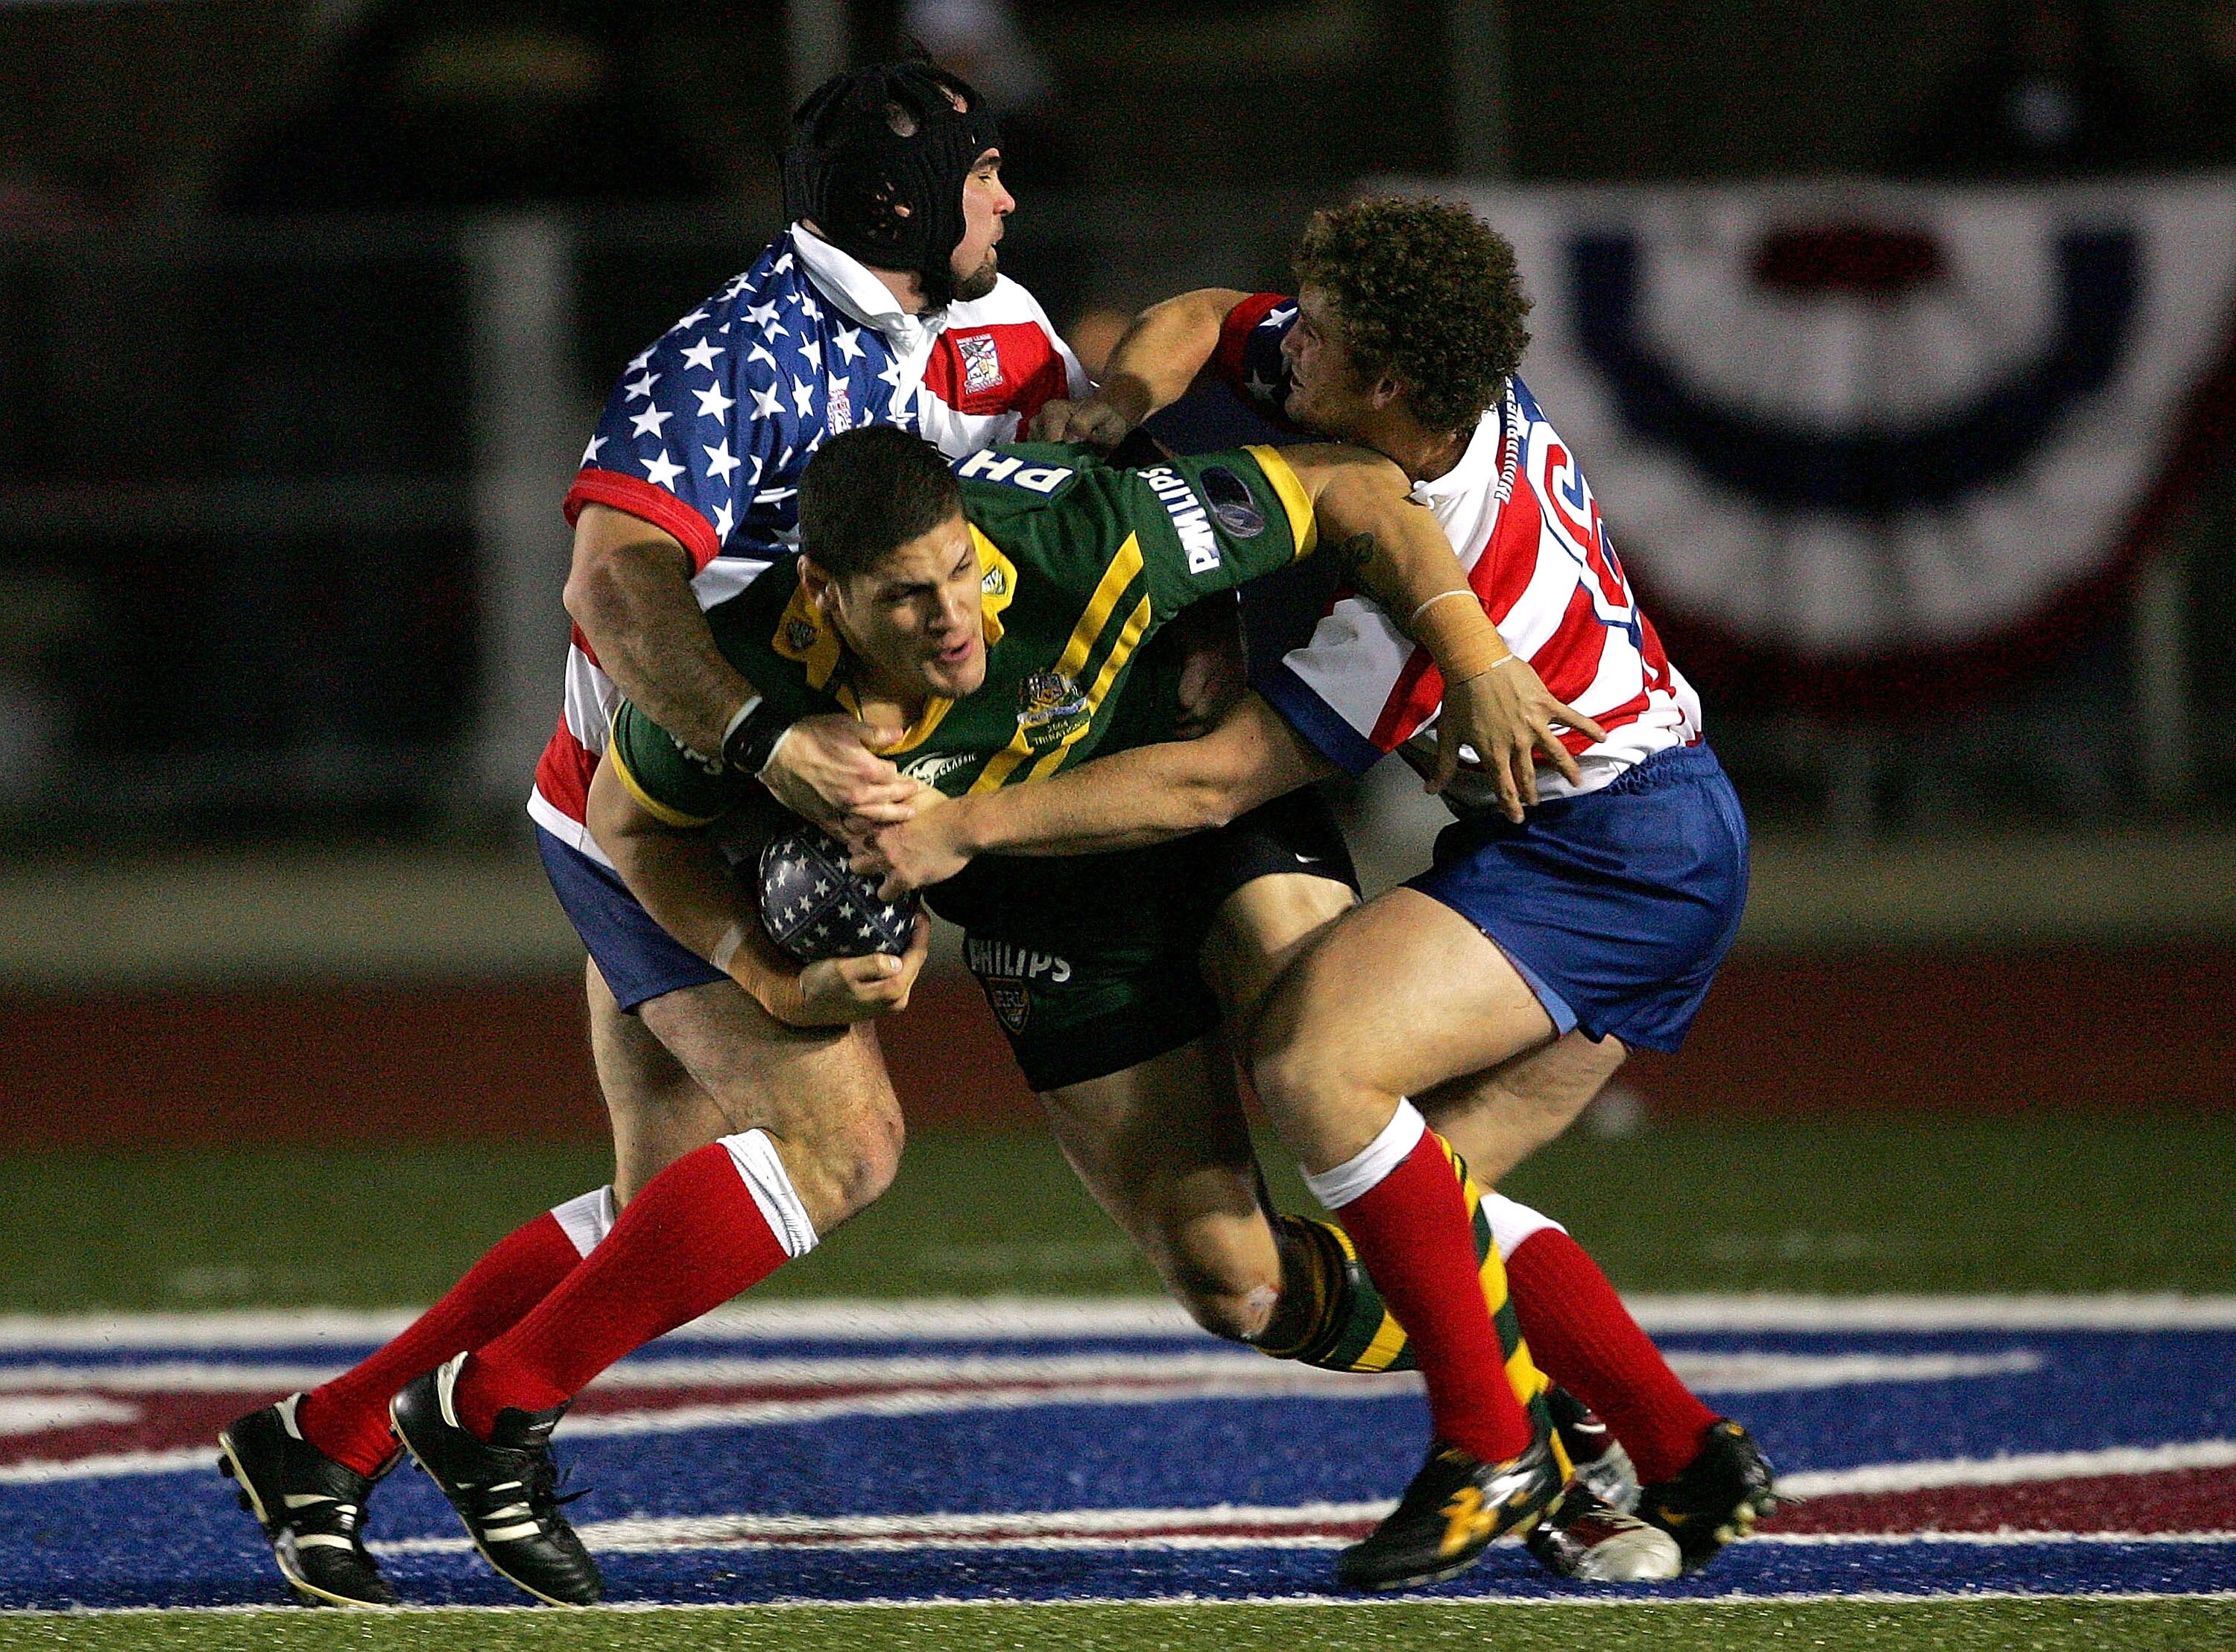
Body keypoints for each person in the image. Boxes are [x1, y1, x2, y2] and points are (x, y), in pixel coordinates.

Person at [399, 421, 1588, 1601]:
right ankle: (1527, 1371)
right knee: (1242, 1286)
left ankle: (1551, 1406)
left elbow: (1363, 489)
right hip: (1051, 905)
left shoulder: (1086, 540)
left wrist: (1471, 653)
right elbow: (630, 824)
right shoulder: (745, 677)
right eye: (909, 595)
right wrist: (764, 975)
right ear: (822, 592)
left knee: (1338, 1087)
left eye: (961, 570)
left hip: (1205, 816)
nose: (955, 616)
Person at [215, 57, 1090, 1610]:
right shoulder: (731, 360)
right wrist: (772, 740)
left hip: (766, 813)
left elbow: (1062, 458)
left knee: (664, 1202)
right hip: (655, 817)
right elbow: (616, 585)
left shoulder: (987, 325)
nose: (1009, 201)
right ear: (903, 208)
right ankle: (489, 1409)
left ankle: (327, 1430)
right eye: (983, 177)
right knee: (843, 1141)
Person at [859, 197, 1778, 1587]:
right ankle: (1680, 1448)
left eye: (1324, 340)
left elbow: (1214, 781)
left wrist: (965, 829)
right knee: (1423, 1198)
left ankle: (1493, 1444)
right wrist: (1118, 405)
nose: (1291, 349)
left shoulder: (1439, 559)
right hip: (1622, 833)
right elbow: (1202, 320)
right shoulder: (1406, 395)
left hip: (1619, 852)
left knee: (1316, 1069)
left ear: (1393, 386)